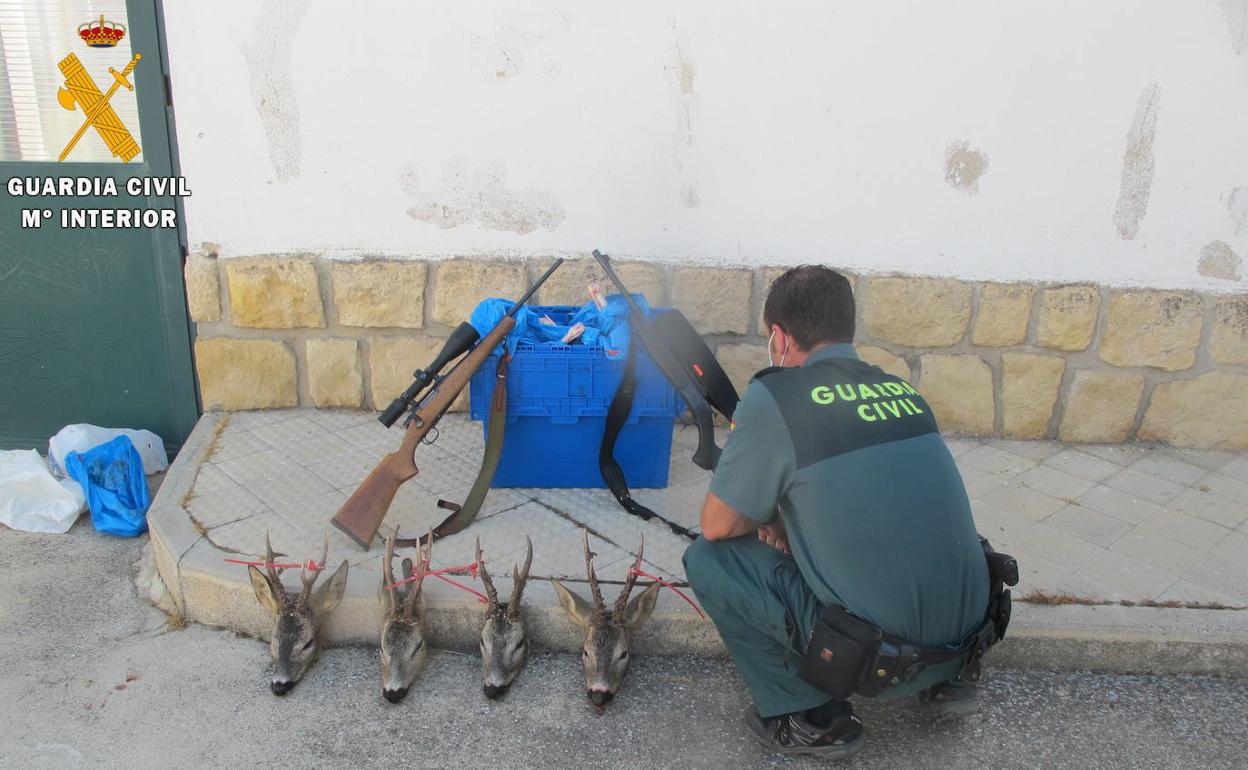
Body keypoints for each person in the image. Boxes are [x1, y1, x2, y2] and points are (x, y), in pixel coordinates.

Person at [683, 265, 990, 759]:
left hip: (881, 662)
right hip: (969, 635)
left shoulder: (776, 396)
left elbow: (718, 525)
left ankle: (807, 716)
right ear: (847, 327)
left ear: (779, 338)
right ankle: (945, 680)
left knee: (708, 559)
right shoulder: (905, 393)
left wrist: (767, 511)